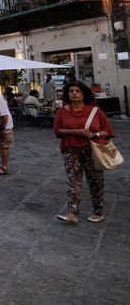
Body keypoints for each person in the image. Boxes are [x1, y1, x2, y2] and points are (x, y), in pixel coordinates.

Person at [53, 81, 116, 224]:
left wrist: (95, 135)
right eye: (71, 91)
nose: (74, 93)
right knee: (73, 181)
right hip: (71, 149)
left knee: (95, 181)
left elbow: (108, 131)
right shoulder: (62, 111)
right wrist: (76, 132)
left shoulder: (96, 112)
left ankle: (98, 212)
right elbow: (57, 130)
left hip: (92, 150)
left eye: (77, 91)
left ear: (84, 94)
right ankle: (72, 212)